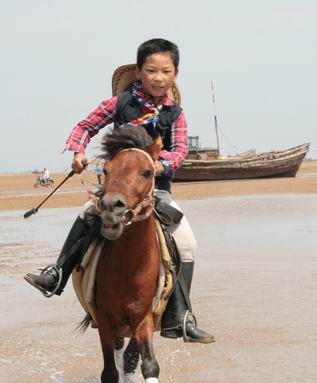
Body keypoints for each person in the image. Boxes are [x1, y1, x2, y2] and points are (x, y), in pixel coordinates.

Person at [24, 38, 214, 344]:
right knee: (87, 215)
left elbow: (179, 152)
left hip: (156, 191)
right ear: (139, 71)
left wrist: (154, 164)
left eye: (165, 71)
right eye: (151, 70)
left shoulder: (175, 114)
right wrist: (77, 151)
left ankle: (179, 317)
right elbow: (84, 126)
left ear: (175, 74)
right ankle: (56, 274)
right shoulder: (119, 103)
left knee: (187, 243)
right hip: (115, 188)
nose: (158, 77)